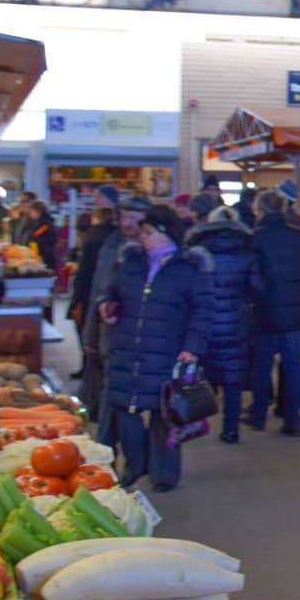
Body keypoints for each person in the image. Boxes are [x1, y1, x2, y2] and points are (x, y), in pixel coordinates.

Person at [98, 205, 211, 492]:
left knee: (165, 414)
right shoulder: (131, 262)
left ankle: (164, 473)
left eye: (149, 232)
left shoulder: (189, 269)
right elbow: (111, 291)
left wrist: (193, 348)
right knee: (127, 411)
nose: (143, 237)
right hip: (128, 347)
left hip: (168, 350)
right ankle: (136, 464)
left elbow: (203, 312)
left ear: (165, 233)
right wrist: (106, 304)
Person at [248, 189, 300, 436]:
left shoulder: (254, 239)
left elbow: (251, 278)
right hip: (295, 311)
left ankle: (258, 414)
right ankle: (292, 419)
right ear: (284, 209)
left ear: (258, 210)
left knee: (262, 365)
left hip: (264, 311)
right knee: (292, 365)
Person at [187, 206, 254, 444]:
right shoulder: (246, 252)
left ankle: (194, 420)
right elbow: (258, 288)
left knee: (199, 373)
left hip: (204, 322)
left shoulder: (197, 252)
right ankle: (230, 428)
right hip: (236, 322)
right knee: (233, 379)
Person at [79, 195, 146, 416]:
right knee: (109, 393)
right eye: (125, 216)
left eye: (134, 217)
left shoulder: (153, 250)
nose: (128, 223)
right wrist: (89, 335)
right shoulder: (109, 245)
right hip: (108, 331)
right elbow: (97, 291)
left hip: (140, 337)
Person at [66, 206, 118, 378]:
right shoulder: (114, 240)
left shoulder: (93, 240)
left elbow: (85, 272)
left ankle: (88, 370)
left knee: (87, 333)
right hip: (105, 295)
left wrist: (76, 298)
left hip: (91, 292)